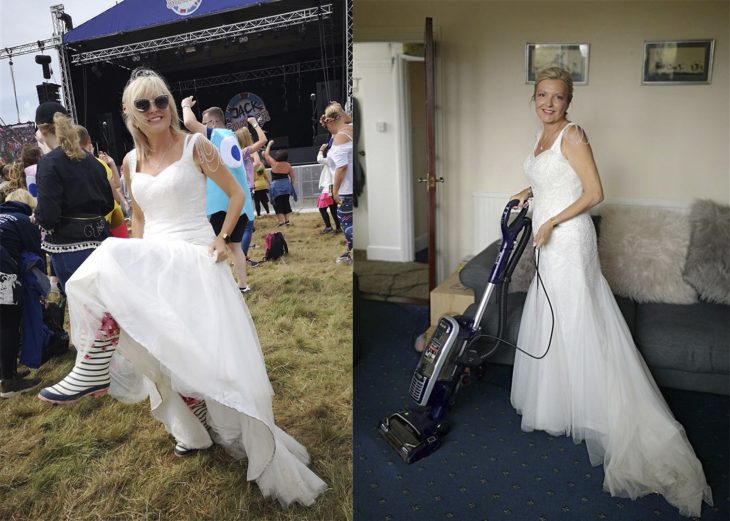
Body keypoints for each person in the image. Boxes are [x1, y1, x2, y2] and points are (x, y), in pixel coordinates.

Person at [37, 68, 326, 506]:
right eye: (143, 104)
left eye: (161, 101)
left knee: (200, 352)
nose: (154, 110)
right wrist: (134, 262)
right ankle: (193, 430)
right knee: (163, 350)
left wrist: (223, 237)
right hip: (156, 259)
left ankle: (95, 365)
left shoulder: (197, 144)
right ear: (128, 113)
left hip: (194, 258)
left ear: (170, 105)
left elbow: (236, 194)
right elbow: (139, 220)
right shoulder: (130, 162)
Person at [508, 67, 712, 517]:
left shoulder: (574, 135)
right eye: (542, 95)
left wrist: (551, 221)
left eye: (557, 97)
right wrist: (528, 192)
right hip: (548, 238)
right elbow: (551, 181)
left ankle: (601, 411)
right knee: (554, 317)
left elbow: (595, 191)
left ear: (568, 102)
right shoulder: (542, 137)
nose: (548, 103)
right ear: (534, 98)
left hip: (568, 240)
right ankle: (562, 405)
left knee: (579, 319)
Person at [33, 102, 114, 291]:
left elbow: (48, 216)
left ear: (41, 130)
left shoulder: (48, 164)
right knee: (107, 310)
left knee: (85, 312)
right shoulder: (92, 161)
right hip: (102, 243)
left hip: (70, 248)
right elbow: (108, 205)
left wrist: (38, 217)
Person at [181, 99, 256, 292]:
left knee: (217, 245)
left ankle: (221, 288)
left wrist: (185, 105)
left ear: (213, 123)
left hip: (222, 204)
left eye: (204, 124)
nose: (202, 128)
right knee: (236, 247)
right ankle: (242, 285)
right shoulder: (231, 137)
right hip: (241, 204)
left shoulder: (217, 135)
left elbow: (189, 123)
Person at [0, 189, 42, 397]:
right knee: (8, 323)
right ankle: (8, 381)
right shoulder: (22, 220)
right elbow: (36, 250)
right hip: (3, 275)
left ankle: (6, 371)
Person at [76, 126, 129, 239]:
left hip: (85, 227)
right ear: (89, 140)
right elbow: (116, 197)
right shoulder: (99, 163)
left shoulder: (68, 166)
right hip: (112, 219)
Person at [320, 102, 353, 264]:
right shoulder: (351, 129)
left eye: (327, 123)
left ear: (332, 120)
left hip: (346, 189)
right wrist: (339, 110)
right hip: (354, 186)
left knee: (347, 221)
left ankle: (353, 254)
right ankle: (351, 252)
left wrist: (335, 191)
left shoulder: (340, 138)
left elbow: (341, 167)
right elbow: (348, 119)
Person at [263, 141, 297, 227]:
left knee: (277, 205)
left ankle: (281, 222)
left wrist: (269, 144)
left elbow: (266, 154)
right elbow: (293, 177)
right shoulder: (288, 165)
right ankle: (287, 221)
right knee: (286, 203)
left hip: (276, 188)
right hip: (286, 187)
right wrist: (291, 186)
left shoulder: (274, 163)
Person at [316, 140, 342, 234]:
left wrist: (321, 149)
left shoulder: (331, 160)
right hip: (333, 186)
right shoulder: (338, 159)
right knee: (333, 208)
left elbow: (319, 159)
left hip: (329, 188)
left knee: (322, 208)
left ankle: (328, 227)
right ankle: (338, 227)